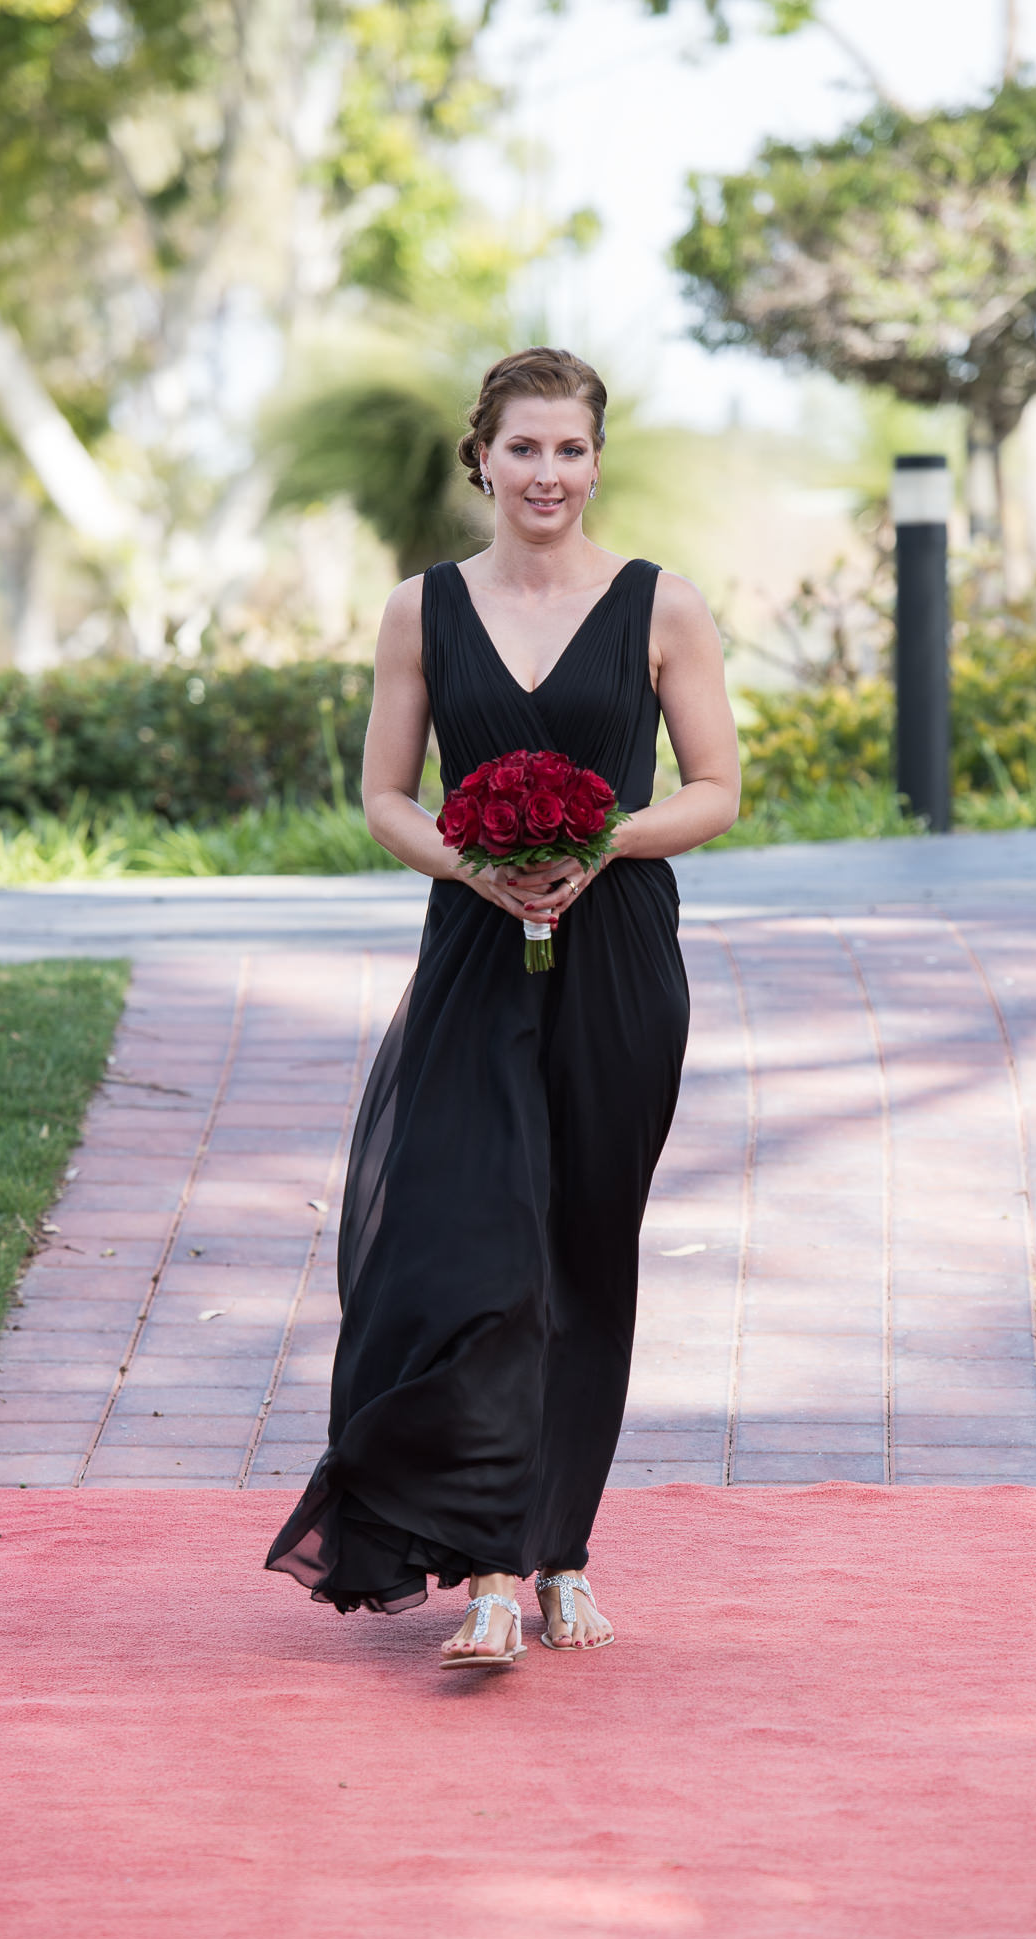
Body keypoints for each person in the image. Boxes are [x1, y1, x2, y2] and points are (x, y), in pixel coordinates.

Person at [265, 347, 740, 1669]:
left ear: (596, 462)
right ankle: (481, 1566)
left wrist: (603, 844)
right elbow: (385, 797)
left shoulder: (661, 607)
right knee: (477, 1250)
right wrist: (480, 864)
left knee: (587, 1251)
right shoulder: (421, 610)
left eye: (569, 451)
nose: (546, 474)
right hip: (476, 956)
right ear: (481, 456)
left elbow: (714, 788)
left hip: (620, 954)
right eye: (522, 449)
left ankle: (561, 1553)